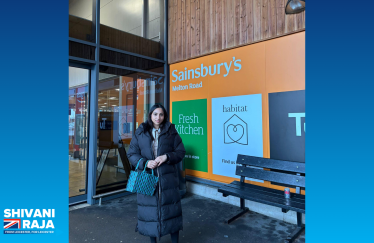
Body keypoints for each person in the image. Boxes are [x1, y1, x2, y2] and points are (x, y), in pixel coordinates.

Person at [127, 104, 186, 243]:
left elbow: (180, 152)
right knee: (149, 213)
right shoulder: (141, 131)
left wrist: (166, 157)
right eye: (155, 114)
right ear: (150, 115)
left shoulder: (171, 131)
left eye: (161, 114)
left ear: (164, 116)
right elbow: (132, 154)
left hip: (168, 178)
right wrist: (145, 163)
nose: (158, 117)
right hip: (147, 176)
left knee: (172, 212)